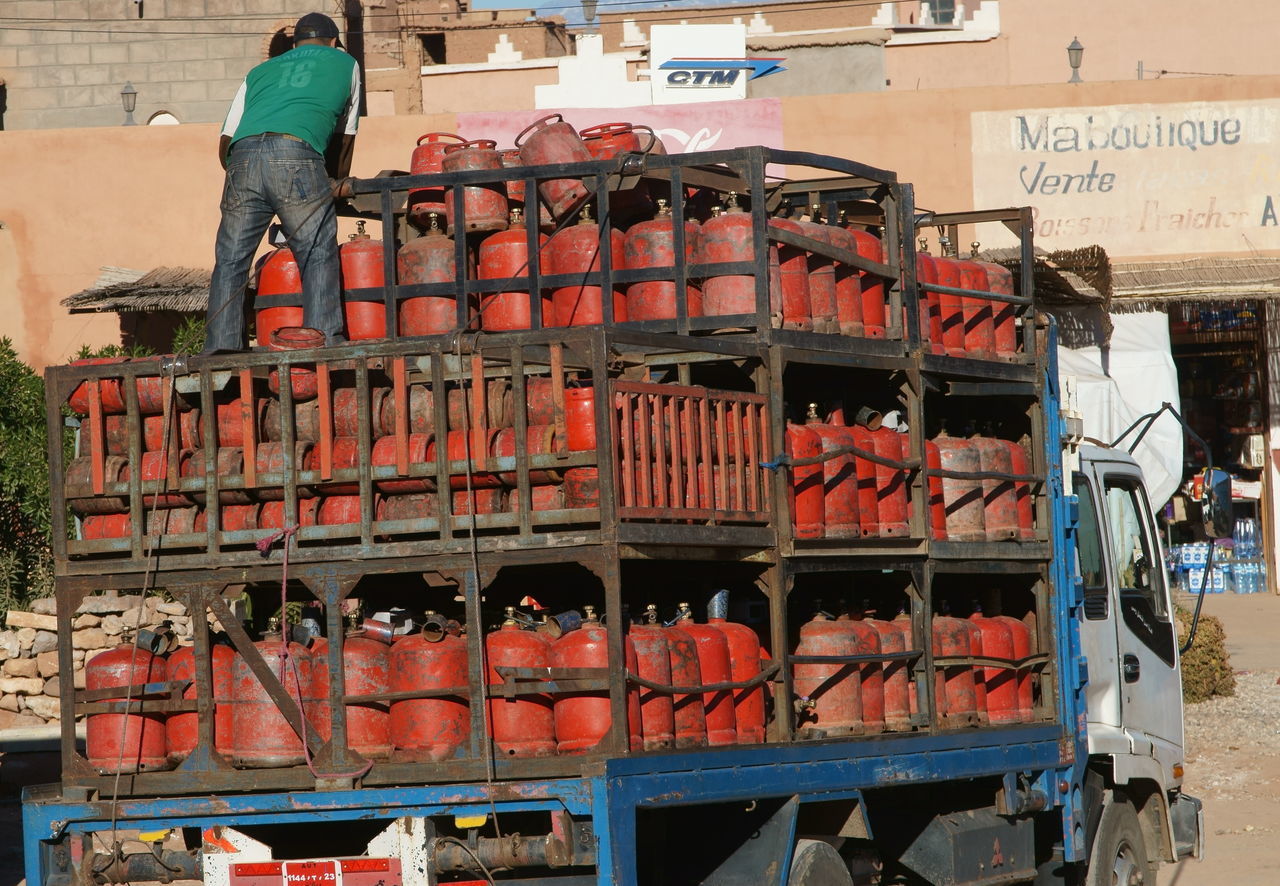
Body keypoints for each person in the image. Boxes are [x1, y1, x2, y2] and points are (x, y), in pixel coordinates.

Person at [203, 12, 361, 353]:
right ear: (334, 41)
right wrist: (333, 182)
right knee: (317, 251)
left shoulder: (259, 71)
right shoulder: (345, 63)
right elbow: (345, 135)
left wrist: (241, 171)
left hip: (241, 157)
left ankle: (221, 347)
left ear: (294, 44)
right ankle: (323, 340)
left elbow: (226, 137)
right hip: (297, 153)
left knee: (231, 259)